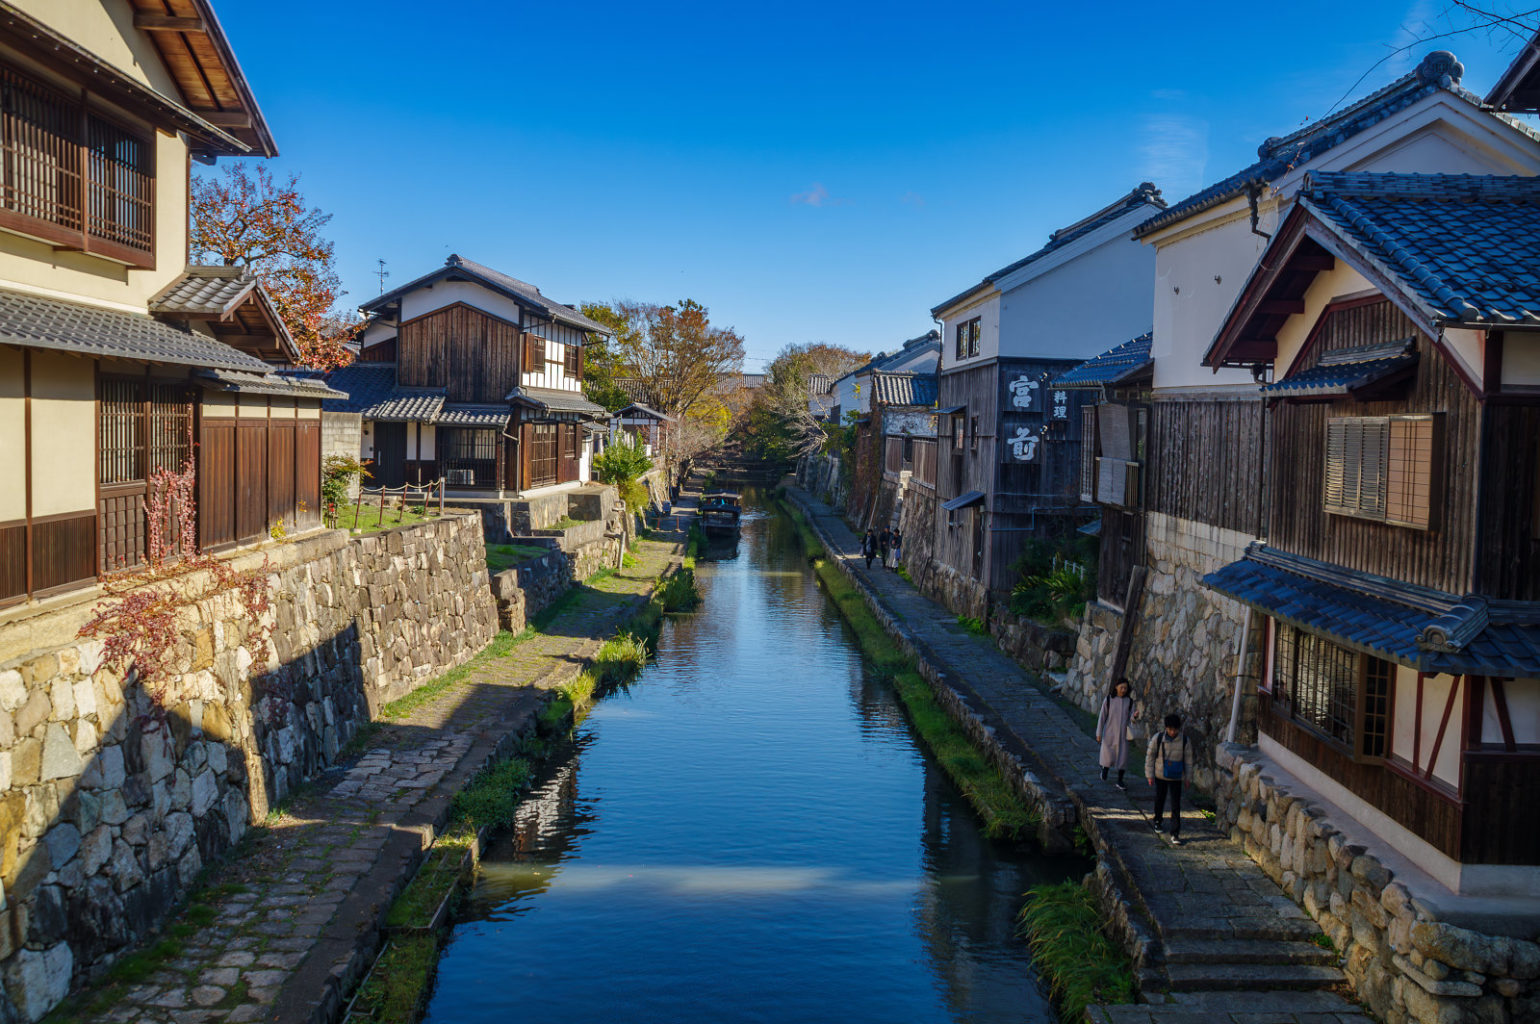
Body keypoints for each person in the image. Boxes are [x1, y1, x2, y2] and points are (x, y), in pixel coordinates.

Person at [1145, 712, 1190, 845]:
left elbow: (1188, 761)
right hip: (1160, 775)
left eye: (1175, 729)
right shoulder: (1158, 739)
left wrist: (1188, 777)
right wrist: (1150, 775)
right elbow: (1150, 757)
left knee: (1176, 805)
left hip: (1176, 777)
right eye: (1170, 729)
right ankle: (1158, 820)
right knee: (1160, 799)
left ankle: (1175, 832)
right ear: (1166, 728)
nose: (1172, 732)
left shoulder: (1185, 741)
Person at [1095, 678, 1138, 789]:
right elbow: (1102, 717)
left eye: (1125, 688)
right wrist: (1099, 732)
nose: (1123, 690)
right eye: (1121, 687)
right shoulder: (1109, 700)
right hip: (1109, 733)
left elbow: (1131, 718)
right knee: (1108, 756)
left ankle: (1120, 780)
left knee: (1122, 758)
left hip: (1123, 735)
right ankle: (1105, 770)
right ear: (1116, 687)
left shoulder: (1130, 702)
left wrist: (1134, 716)